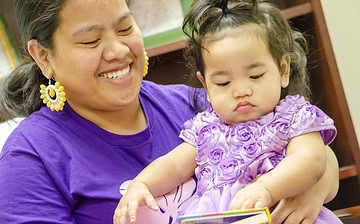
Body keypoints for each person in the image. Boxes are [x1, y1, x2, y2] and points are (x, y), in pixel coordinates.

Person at [0, 0, 339, 223]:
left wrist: (308, 186)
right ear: (44, 56)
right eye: (91, 41)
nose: (118, 50)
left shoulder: (195, 104)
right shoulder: (29, 160)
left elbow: (309, 150)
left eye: (125, 28)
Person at [114, 0, 342, 223]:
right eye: (223, 83)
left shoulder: (294, 115)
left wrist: (266, 188)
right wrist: (142, 184)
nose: (241, 91)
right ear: (206, 86)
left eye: (255, 76)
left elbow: (311, 160)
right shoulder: (205, 126)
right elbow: (173, 166)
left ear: (283, 70)